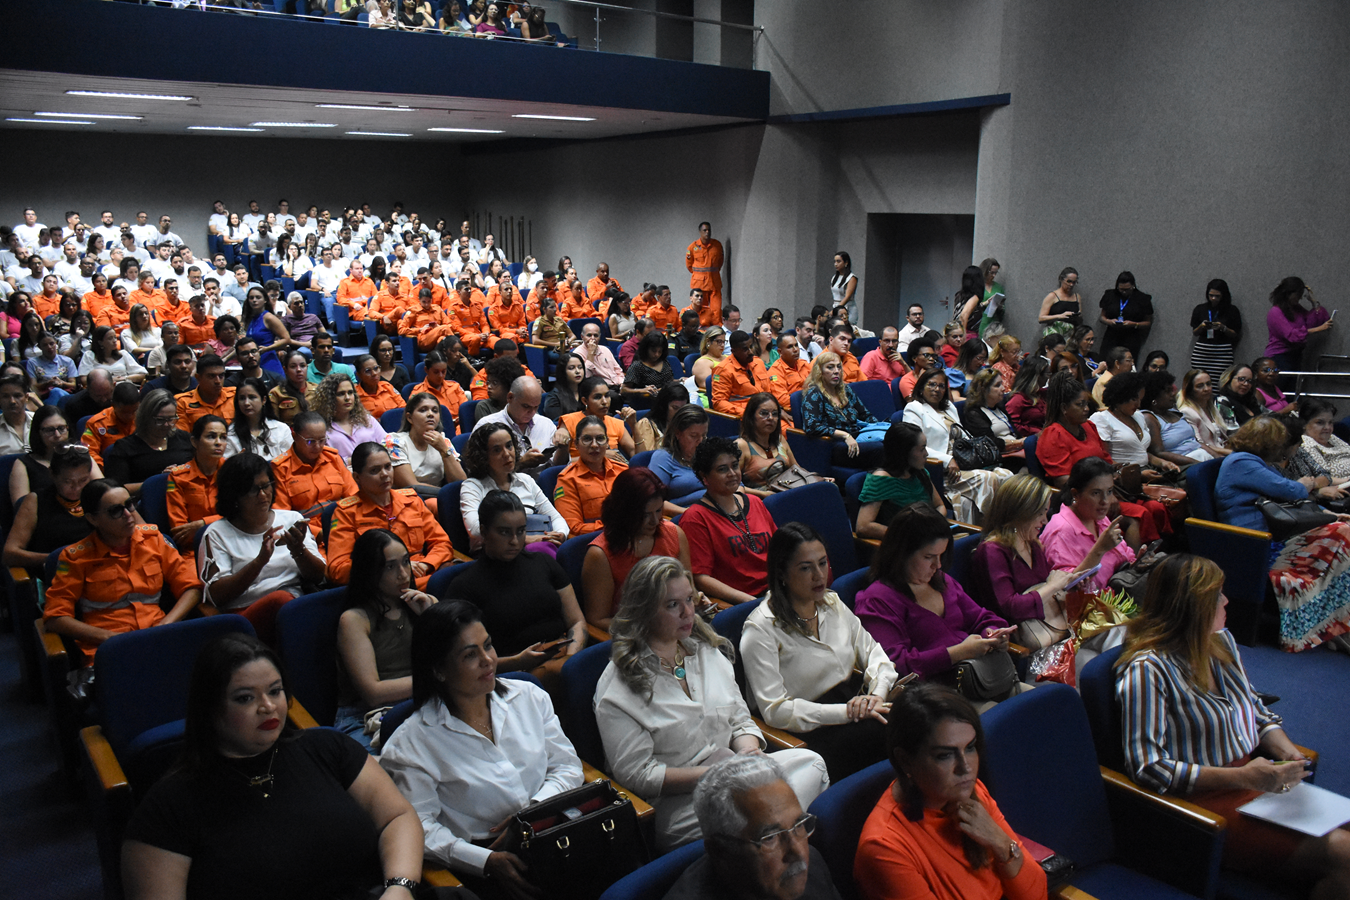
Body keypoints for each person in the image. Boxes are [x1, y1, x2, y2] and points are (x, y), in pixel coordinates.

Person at [121, 633, 430, 900]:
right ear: (210, 709)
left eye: (274, 690)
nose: (267, 706)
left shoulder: (327, 747)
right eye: (245, 698)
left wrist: (400, 887)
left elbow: (397, 817)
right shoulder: (170, 806)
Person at [1116, 554, 1350, 892]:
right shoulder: (1147, 670)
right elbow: (1148, 767)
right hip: (1205, 806)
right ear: (1192, 607)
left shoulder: (1219, 642)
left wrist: (1288, 751)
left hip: (1257, 784)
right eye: (1217, 596)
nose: (1227, 601)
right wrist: (1243, 776)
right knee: (1343, 855)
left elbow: (1255, 710)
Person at [595, 555, 829, 852]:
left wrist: (747, 751)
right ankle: (784, 850)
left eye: (689, 600)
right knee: (763, 812)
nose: (687, 612)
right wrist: (718, 774)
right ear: (643, 611)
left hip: (737, 772)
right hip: (681, 802)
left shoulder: (705, 650)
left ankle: (775, 846)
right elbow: (639, 774)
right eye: (672, 605)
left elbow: (740, 720)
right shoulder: (617, 686)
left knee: (813, 764)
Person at [378, 600, 584, 897]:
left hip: (554, 828)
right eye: (470, 655)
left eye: (488, 646)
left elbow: (567, 766)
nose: (488, 660)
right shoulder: (411, 745)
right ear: (439, 670)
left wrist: (533, 812)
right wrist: (484, 861)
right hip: (486, 861)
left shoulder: (528, 696)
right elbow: (418, 828)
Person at [853, 682, 1047, 900]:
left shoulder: (969, 791)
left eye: (970, 747)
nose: (966, 768)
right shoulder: (884, 848)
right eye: (945, 755)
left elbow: (1037, 894)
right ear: (905, 760)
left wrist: (1001, 843)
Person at [741, 523, 897, 781]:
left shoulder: (832, 603)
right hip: (810, 728)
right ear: (781, 572)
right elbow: (776, 711)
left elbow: (874, 654)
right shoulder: (760, 629)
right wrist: (848, 713)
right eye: (806, 568)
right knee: (893, 734)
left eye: (822, 563)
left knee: (918, 708)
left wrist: (875, 697)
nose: (819, 575)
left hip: (855, 704)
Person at [854, 505, 1026, 711]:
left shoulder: (941, 581)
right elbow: (897, 666)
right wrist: (957, 653)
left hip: (980, 677)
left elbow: (981, 618)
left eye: (941, 555)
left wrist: (993, 633)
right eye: (929, 557)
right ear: (901, 554)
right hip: (933, 698)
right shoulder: (876, 601)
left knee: (1043, 705)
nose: (938, 565)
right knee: (1011, 719)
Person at [1216, 416, 1350, 651]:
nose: (1284, 449)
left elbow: (1291, 502)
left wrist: (1329, 514)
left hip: (1276, 534)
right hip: (1255, 543)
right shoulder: (1242, 463)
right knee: (1342, 535)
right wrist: (1308, 484)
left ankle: (1332, 621)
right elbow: (1292, 491)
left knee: (1342, 531)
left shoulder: (1255, 463)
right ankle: (1329, 622)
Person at [43, 478, 201, 663]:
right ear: (93, 519)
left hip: (158, 637)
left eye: (129, 505)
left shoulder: (153, 540)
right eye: (116, 511)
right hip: (108, 647)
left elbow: (192, 588)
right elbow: (55, 617)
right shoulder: (76, 558)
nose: (128, 515)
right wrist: (110, 638)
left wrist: (166, 624)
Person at [447, 490, 587, 682]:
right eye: (504, 532)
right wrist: (518, 662)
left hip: (564, 656)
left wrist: (570, 660)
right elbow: (465, 659)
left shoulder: (544, 563)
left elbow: (577, 622)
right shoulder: (465, 586)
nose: (514, 541)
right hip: (512, 673)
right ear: (484, 531)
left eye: (521, 531)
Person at [663, 754, 844, 900]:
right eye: (770, 837)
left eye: (798, 825)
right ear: (720, 851)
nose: (798, 852)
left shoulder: (812, 867)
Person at [197, 452, 324, 645]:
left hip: (296, 605)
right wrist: (259, 562)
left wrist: (299, 551)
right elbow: (217, 596)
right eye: (253, 490)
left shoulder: (291, 519)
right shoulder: (217, 533)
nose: (263, 495)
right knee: (281, 601)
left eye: (266, 486)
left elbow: (319, 576)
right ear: (235, 495)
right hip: (246, 616)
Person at [332, 530, 438, 751]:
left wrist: (431, 618)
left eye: (406, 562)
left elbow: (452, 658)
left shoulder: (424, 603)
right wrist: (436, 679)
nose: (403, 574)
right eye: (390, 567)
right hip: (365, 717)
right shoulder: (354, 620)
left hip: (420, 703)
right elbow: (374, 693)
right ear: (369, 572)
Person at [970, 474, 1092, 650]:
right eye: (1040, 513)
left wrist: (1068, 585)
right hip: (1022, 643)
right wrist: (1053, 586)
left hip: (1051, 630)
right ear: (1021, 512)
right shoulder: (992, 551)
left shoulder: (1032, 543)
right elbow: (1010, 608)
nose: (1045, 521)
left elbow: (1042, 587)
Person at [327, 441, 453, 589]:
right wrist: (391, 567)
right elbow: (337, 569)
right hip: (382, 586)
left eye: (388, 467)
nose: (385, 474)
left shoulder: (411, 500)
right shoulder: (346, 513)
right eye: (375, 471)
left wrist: (427, 564)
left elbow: (442, 543)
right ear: (357, 477)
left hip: (423, 575)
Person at [583, 467, 693, 630]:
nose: (655, 521)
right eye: (645, 514)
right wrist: (650, 630)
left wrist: (694, 602)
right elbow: (598, 619)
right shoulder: (600, 555)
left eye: (658, 510)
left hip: (678, 625)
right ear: (624, 512)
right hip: (636, 633)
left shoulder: (674, 533)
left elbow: (690, 590)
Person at [904, 369, 1012, 524]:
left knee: (1006, 475)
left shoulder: (949, 407)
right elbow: (914, 445)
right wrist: (947, 460)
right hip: (942, 469)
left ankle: (1008, 523)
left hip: (964, 461)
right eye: (932, 384)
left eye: (941, 386)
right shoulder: (914, 408)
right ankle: (991, 527)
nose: (937, 389)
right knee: (988, 478)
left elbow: (963, 436)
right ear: (921, 387)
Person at [680, 436, 777, 604]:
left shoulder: (754, 502)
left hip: (775, 591)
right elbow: (701, 578)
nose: (732, 474)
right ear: (705, 477)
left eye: (734, 466)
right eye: (722, 469)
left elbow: (779, 549)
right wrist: (752, 602)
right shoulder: (695, 518)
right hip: (742, 602)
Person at [459, 422, 567, 552]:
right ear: (483, 456)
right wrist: (526, 539)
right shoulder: (472, 487)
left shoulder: (526, 480)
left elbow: (555, 518)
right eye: (497, 450)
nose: (507, 454)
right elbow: (476, 530)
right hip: (496, 554)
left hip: (537, 548)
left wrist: (560, 534)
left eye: (509, 446)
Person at [1040, 457, 1137, 593]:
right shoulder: (1060, 531)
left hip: (1121, 591)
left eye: (1109, 491)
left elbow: (1125, 553)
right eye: (1096, 493)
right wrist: (1099, 550)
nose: (1105, 501)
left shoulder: (1098, 517)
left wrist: (1136, 563)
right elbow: (1065, 588)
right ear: (1075, 494)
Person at [3, 445, 97, 575]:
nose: (76, 488)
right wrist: (56, 558)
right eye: (67, 481)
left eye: (83, 480)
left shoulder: (97, 497)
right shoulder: (36, 501)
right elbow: (10, 554)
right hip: (57, 574)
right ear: (52, 474)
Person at [270, 411, 358, 534]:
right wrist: (319, 533)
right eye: (310, 441)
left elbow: (353, 496)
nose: (317, 447)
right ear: (294, 436)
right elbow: (283, 517)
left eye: (322, 440)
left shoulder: (333, 458)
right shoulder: (281, 469)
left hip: (342, 524)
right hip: (306, 534)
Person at [855, 423, 947, 540]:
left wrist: (932, 525)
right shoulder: (881, 480)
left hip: (928, 537)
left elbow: (939, 506)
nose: (926, 454)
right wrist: (909, 536)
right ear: (904, 452)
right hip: (905, 544)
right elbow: (863, 527)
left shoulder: (921, 473)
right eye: (921, 449)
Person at [802, 351, 886, 468]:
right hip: (834, 444)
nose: (836, 371)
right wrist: (845, 435)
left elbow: (865, 415)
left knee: (893, 438)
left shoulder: (845, 390)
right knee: (879, 448)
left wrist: (878, 428)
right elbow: (811, 426)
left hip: (858, 436)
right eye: (830, 367)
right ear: (820, 371)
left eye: (838, 367)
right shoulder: (814, 394)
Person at [102, 388, 193, 494]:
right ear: (146, 418)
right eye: (160, 420)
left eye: (171, 419)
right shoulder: (125, 447)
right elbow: (116, 489)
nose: (166, 425)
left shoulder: (185, 438)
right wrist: (159, 480)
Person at [1090, 371, 1181, 475]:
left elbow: (1142, 453)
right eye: (1134, 399)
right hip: (1122, 475)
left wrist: (1163, 463)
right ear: (1121, 396)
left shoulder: (1138, 416)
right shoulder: (1102, 419)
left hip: (1148, 469)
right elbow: (1104, 460)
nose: (1138, 405)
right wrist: (1138, 474)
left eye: (1140, 400)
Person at [553, 415, 629, 535]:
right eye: (587, 439)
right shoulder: (568, 479)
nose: (594, 445)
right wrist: (617, 525)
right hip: (593, 540)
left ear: (607, 443)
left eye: (600, 438)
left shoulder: (623, 470)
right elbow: (574, 528)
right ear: (576, 444)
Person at [472, 375, 558, 477]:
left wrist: (563, 448)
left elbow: (557, 466)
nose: (532, 412)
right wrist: (521, 463)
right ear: (510, 397)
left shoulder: (546, 424)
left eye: (536, 407)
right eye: (526, 406)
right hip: (504, 485)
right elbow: (477, 470)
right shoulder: (487, 425)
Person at [311, 371, 386, 465]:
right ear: (329, 398)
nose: (347, 398)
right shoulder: (320, 427)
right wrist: (352, 461)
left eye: (350, 393)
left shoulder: (367, 419)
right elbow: (321, 460)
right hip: (340, 471)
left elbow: (388, 444)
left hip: (376, 468)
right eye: (341, 394)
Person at [736, 391, 807, 490]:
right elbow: (733, 486)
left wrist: (816, 479)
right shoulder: (741, 445)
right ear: (751, 417)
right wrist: (764, 494)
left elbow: (796, 469)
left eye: (774, 414)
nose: (770, 418)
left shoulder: (780, 439)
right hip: (759, 496)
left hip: (785, 492)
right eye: (764, 413)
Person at [1142, 370, 1214, 465]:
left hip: (1203, 457)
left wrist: (1219, 458)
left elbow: (1196, 442)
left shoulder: (1175, 412)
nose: (1173, 394)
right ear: (1154, 398)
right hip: (1184, 464)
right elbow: (1159, 453)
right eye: (1168, 391)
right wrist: (1197, 464)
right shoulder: (1150, 418)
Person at [557, 376, 636, 462]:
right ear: (585, 401)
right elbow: (560, 463)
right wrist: (600, 456)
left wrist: (634, 425)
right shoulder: (569, 421)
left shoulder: (616, 423)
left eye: (607, 396)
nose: (604, 402)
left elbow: (636, 456)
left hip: (612, 469)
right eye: (597, 397)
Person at [1264, 275, 1331, 374]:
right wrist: (1318, 329)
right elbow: (1292, 335)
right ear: (1289, 294)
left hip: (1295, 355)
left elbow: (1313, 321)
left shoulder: (1296, 309)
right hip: (1279, 356)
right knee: (1282, 383)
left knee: (1294, 383)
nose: (1299, 298)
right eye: (1298, 295)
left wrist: (1314, 301)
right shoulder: (1275, 312)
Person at [650, 402, 711, 510]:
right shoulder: (663, 458)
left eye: (704, 435)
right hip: (681, 514)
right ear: (678, 433)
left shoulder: (709, 453)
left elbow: (737, 485)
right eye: (694, 436)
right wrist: (687, 513)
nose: (701, 441)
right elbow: (652, 501)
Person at [961, 370, 1024, 466]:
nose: (1003, 388)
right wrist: (1019, 443)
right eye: (997, 385)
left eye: (1001, 384)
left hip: (1016, 450)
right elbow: (990, 443)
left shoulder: (999, 407)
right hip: (1000, 458)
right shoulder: (974, 413)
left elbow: (1014, 431)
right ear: (984, 390)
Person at [224, 377, 292, 461]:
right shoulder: (230, 433)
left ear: (264, 400)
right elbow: (227, 465)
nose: (246, 403)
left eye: (252, 397)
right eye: (242, 398)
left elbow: (290, 461)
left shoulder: (281, 429)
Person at [1190, 279, 1243, 376]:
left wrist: (1223, 328)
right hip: (1202, 351)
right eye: (1211, 295)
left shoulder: (1232, 310)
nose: (1213, 298)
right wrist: (1202, 326)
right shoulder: (1200, 309)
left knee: (1220, 380)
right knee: (1200, 379)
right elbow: (1195, 332)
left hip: (1222, 352)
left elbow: (1235, 334)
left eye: (1217, 296)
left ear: (1223, 295)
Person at [1097, 271, 1154, 359]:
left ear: (1133, 286)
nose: (1124, 292)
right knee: (1106, 360)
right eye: (1121, 289)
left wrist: (1134, 324)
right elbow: (1102, 317)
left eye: (1127, 289)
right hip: (1111, 335)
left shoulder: (1142, 299)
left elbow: (1148, 322)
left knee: (1127, 362)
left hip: (1131, 337)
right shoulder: (1110, 295)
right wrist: (1109, 322)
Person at [1178, 367, 1230, 457]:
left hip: (1224, 451)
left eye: (1208, 384)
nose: (1206, 389)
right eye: (1200, 386)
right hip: (1209, 456)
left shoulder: (1211, 407)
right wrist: (1229, 452)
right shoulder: (1187, 412)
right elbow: (1199, 444)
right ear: (1190, 391)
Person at [176, 353, 235, 429]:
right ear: (198, 378)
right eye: (211, 376)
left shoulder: (235, 395)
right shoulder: (182, 402)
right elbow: (182, 434)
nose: (218, 381)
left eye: (221, 376)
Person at [1298, 398, 1350, 482]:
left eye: (1330, 422)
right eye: (1320, 422)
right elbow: (1323, 477)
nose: (1327, 427)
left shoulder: (1332, 438)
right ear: (1304, 423)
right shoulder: (1306, 445)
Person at [78, 324, 148, 385]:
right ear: (100, 342)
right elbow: (84, 379)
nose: (114, 341)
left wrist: (124, 378)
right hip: (101, 389)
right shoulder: (89, 355)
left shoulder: (123, 354)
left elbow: (144, 374)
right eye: (110, 338)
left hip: (125, 386)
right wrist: (110, 380)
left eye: (115, 337)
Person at [686, 223, 725, 324]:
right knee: (700, 310)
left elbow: (720, 262)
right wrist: (700, 275)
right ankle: (700, 329)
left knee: (716, 311)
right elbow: (689, 266)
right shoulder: (692, 247)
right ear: (700, 232)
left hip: (714, 283)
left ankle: (716, 330)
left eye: (709, 230)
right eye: (704, 230)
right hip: (700, 285)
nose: (707, 232)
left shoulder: (717, 245)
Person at [623, 330, 678, 403]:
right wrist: (642, 390)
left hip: (665, 400)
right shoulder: (637, 366)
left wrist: (680, 381)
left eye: (660, 351)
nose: (657, 355)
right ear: (646, 349)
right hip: (644, 402)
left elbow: (669, 381)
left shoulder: (664, 362)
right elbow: (623, 390)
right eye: (653, 351)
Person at [636, 381, 689, 455]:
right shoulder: (647, 424)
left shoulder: (687, 424)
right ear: (664, 406)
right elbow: (646, 457)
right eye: (675, 408)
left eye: (683, 408)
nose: (679, 412)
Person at [354, 354, 405, 421]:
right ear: (359, 375)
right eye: (368, 371)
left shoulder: (387, 386)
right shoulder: (355, 395)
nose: (374, 373)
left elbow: (403, 408)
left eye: (376, 368)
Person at [1215, 363, 1265, 432]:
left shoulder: (1251, 401)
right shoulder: (1222, 401)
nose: (1246, 384)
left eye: (1249, 381)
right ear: (1229, 379)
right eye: (1241, 379)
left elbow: (1270, 417)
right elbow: (1231, 432)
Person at [1038, 266, 1082, 338]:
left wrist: (1076, 316)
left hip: (1071, 334)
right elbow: (1041, 318)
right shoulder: (1053, 296)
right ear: (1061, 279)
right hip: (1054, 334)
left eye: (1074, 282)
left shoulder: (1077, 297)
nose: (1071, 285)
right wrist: (1060, 316)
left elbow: (1080, 317)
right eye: (1069, 281)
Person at [269, 349, 310, 426]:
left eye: (302, 366)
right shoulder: (276, 393)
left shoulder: (317, 390)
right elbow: (273, 424)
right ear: (285, 370)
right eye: (293, 366)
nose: (299, 370)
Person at [542, 351, 585, 421]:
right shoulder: (554, 398)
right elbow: (557, 424)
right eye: (571, 368)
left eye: (580, 367)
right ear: (562, 372)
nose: (577, 371)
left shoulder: (587, 392)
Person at [829, 251, 858, 320]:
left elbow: (847, 297)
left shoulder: (851, 278)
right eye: (835, 262)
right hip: (836, 306)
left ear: (846, 263)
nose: (836, 264)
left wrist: (836, 310)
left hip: (847, 308)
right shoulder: (835, 277)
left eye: (838, 261)